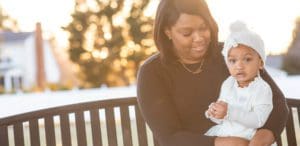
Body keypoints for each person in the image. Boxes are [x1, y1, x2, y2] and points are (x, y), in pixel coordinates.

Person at [136, 0, 288, 145]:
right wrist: (225, 143)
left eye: (203, 28)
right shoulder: (152, 73)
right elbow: (170, 138)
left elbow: (277, 103)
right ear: (167, 31)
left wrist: (259, 141)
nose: (199, 38)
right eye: (187, 33)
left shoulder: (232, 54)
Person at [204, 21, 274, 146]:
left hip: (248, 138)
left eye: (247, 59)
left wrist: (229, 112)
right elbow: (222, 118)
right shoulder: (229, 83)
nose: (239, 66)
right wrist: (215, 113)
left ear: (261, 63)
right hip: (224, 135)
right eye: (232, 60)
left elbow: (258, 120)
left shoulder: (262, 89)